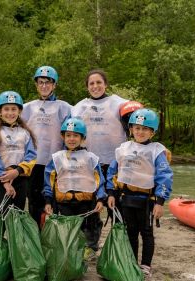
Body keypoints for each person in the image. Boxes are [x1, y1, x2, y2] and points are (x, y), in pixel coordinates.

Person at [106, 108, 173, 278]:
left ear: (152, 132)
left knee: (147, 232)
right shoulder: (123, 148)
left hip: (147, 200)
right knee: (131, 232)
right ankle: (132, 262)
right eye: (137, 128)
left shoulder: (157, 151)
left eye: (145, 129)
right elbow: (113, 172)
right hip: (126, 197)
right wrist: (112, 193)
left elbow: (164, 176)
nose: (140, 132)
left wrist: (160, 202)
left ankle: (145, 266)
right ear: (131, 129)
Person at [71, 68, 128, 249]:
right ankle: (91, 244)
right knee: (90, 206)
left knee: (115, 205)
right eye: (91, 83)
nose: (95, 86)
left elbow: (140, 120)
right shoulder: (79, 107)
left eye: (99, 82)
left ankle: (118, 245)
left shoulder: (119, 103)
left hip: (114, 163)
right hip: (89, 164)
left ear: (105, 84)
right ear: (87, 87)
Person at [43, 118, 107, 258]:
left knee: (89, 228)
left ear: (82, 138)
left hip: (86, 203)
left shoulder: (91, 158)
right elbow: (49, 182)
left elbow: (99, 181)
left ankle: (88, 251)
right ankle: (69, 255)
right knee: (67, 232)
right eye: (68, 135)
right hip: (64, 203)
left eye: (76, 135)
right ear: (63, 137)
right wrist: (48, 201)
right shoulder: (56, 158)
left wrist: (101, 199)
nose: (72, 139)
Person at [21, 66, 72, 227]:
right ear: (36, 84)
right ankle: (37, 236)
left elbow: (71, 134)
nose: (44, 86)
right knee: (34, 203)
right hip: (33, 163)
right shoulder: (27, 107)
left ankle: (54, 239)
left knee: (55, 202)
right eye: (41, 82)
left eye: (48, 82)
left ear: (54, 85)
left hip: (55, 163)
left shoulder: (65, 107)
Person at [0, 91, 37, 211]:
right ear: (0, 112)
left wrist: (17, 171)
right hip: (0, 180)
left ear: (19, 111)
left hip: (20, 179)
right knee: (1, 218)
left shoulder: (25, 133)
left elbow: (31, 156)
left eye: (14, 109)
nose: (10, 113)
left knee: (17, 217)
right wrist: (5, 180)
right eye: (6, 109)